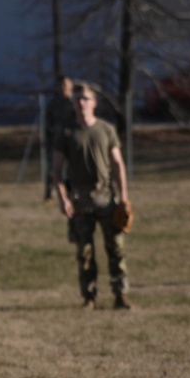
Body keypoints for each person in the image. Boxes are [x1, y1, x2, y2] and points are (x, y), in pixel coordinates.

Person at [52, 81, 131, 310]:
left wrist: (124, 197)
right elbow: (56, 170)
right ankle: (89, 296)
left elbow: (117, 163)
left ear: (94, 103)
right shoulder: (66, 132)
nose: (81, 103)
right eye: (77, 99)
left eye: (85, 99)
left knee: (116, 248)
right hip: (79, 199)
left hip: (106, 197)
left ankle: (120, 295)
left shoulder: (106, 130)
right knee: (84, 251)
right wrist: (63, 198)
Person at [44, 75, 77, 202]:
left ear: (71, 86)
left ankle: (71, 191)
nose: (63, 88)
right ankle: (49, 193)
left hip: (72, 141)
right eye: (60, 85)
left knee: (72, 169)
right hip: (56, 141)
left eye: (65, 85)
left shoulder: (76, 103)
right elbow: (48, 124)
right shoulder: (53, 105)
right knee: (53, 169)